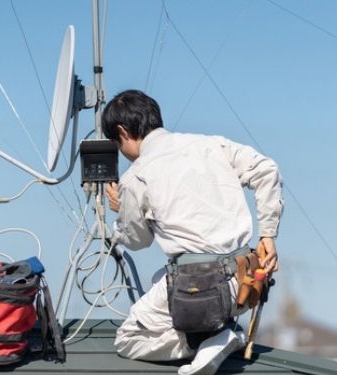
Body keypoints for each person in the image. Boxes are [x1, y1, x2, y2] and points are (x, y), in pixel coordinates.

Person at [102, 90, 283, 375]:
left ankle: (204, 340)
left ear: (123, 131)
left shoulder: (136, 176)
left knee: (128, 338)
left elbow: (137, 241)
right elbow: (266, 169)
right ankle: (215, 332)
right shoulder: (211, 144)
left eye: (116, 142)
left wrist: (121, 210)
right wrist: (268, 234)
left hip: (199, 292)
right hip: (244, 283)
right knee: (160, 278)